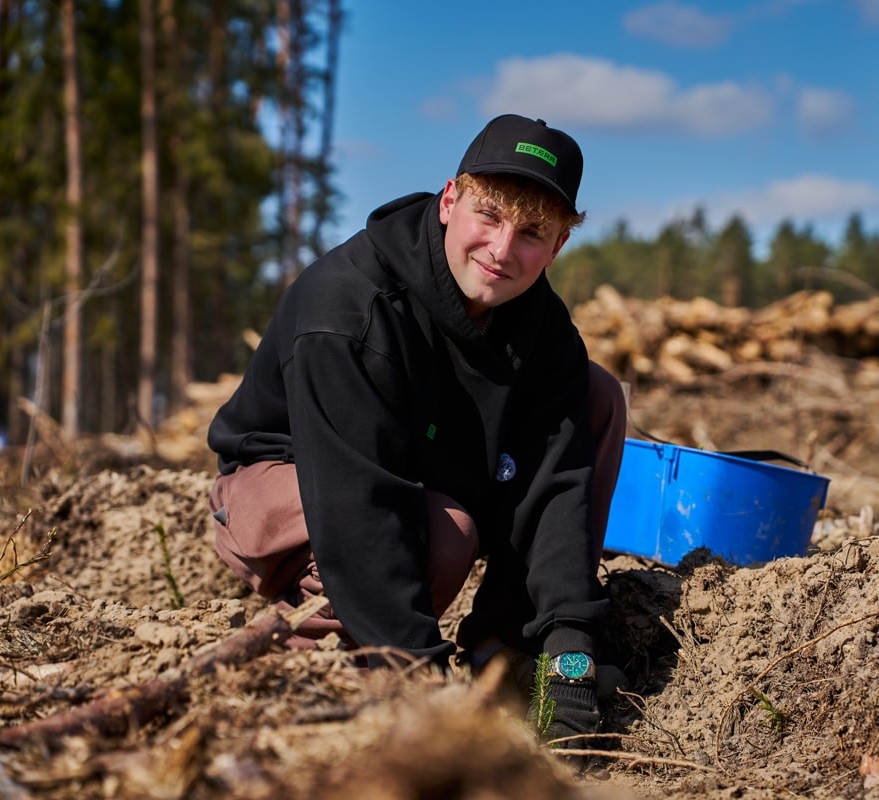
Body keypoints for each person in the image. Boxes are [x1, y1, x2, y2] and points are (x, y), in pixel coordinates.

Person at [207, 114, 626, 742]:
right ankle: (332, 668)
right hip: (292, 482)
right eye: (489, 214)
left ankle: (501, 646)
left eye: (533, 231)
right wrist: (421, 678)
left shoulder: (545, 331)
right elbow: (357, 507)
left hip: (421, 468)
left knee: (596, 394)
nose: (503, 249)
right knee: (442, 536)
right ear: (450, 199)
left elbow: (559, 493)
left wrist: (569, 651)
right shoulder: (350, 308)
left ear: (560, 244)